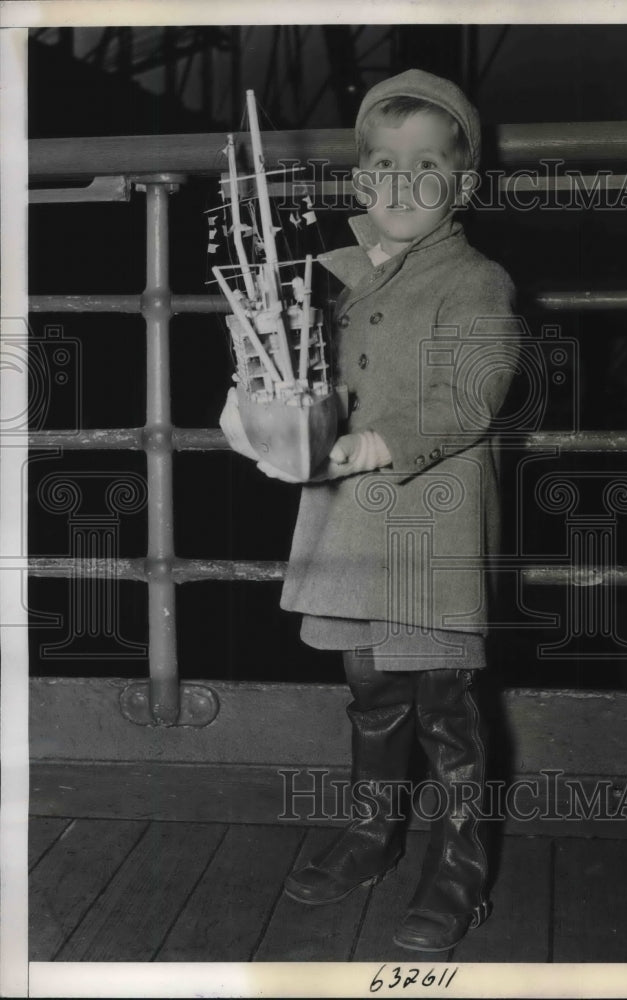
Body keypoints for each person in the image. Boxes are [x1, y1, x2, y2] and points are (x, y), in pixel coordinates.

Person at [220, 69, 520, 952]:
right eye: (382, 164)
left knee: (444, 702)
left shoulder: (475, 280)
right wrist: (257, 408)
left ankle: (460, 866)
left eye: (425, 166)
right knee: (369, 689)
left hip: (432, 524)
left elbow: (475, 395)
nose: (400, 184)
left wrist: (378, 442)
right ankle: (369, 833)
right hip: (349, 523)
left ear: (462, 186)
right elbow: (285, 371)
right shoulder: (327, 276)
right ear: (359, 180)